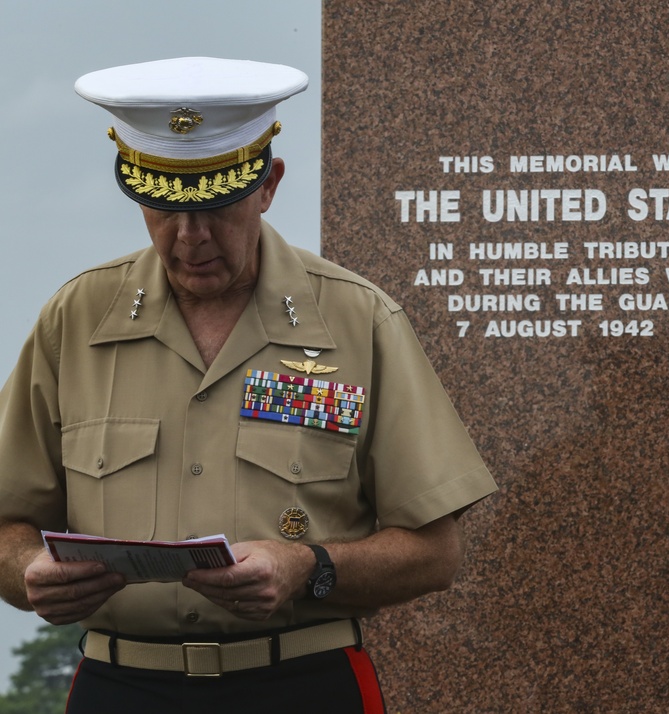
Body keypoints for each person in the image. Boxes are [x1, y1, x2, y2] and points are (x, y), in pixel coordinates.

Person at [0, 57, 496, 713]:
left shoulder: (358, 320)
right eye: (166, 210)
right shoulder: (76, 319)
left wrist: (308, 569)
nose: (191, 238)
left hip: (304, 685)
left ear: (268, 186)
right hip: (120, 688)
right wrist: (25, 571)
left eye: (217, 208)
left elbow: (435, 554)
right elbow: (8, 525)